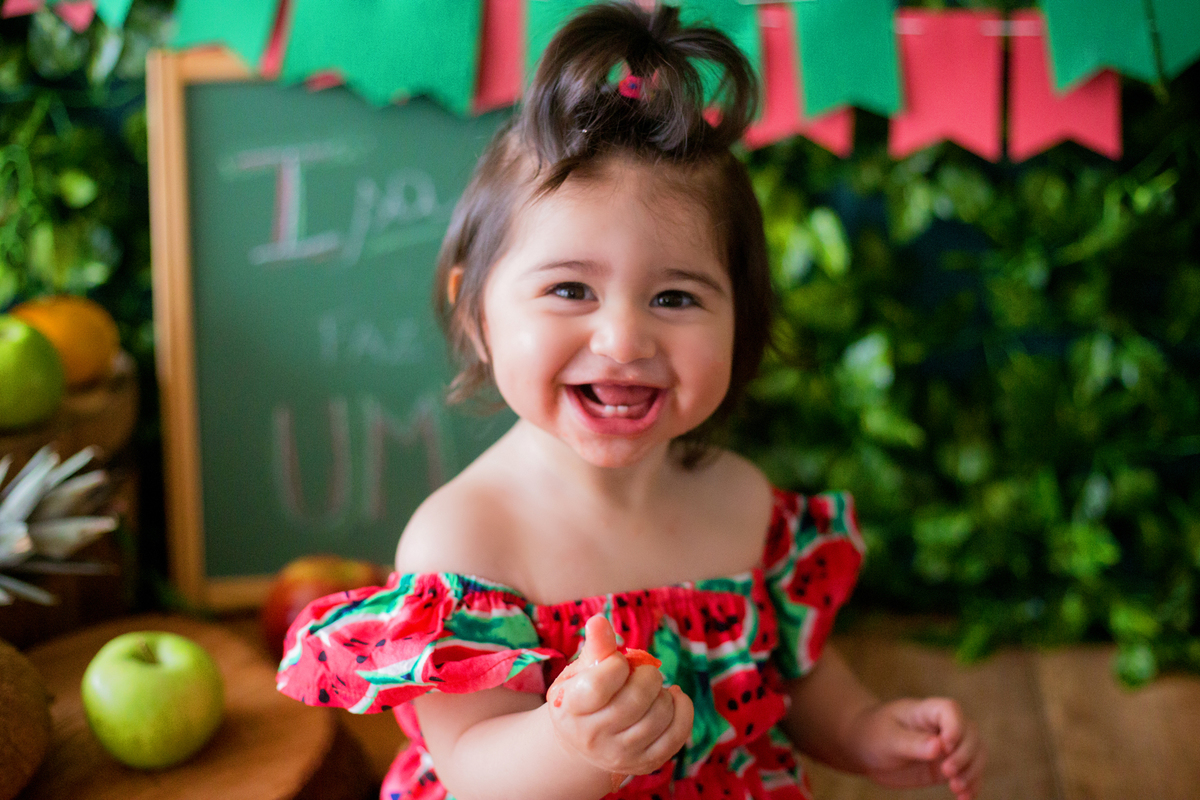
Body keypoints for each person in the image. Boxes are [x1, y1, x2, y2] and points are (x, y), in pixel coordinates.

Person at [275, 4, 985, 799]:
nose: (622, 341)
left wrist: (866, 731)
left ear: (739, 323)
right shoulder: (465, 543)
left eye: (676, 298)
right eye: (570, 288)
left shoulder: (745, 506)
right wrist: (573, 742)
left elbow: (798, 684)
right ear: (477, 313)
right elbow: (472, 768)